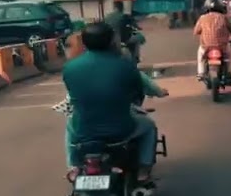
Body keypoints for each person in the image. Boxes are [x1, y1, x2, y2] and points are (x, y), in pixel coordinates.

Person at [63, 22, 160, 182]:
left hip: (84, 132)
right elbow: (136, 91)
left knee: (70, 127)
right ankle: (144, 168)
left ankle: (73, 166)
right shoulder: (125, 65)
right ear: (111, 41)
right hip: (121, 131)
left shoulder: (70, 67)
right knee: (149, 127)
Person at [193, 0, 231, 81]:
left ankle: (201, 73)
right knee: (228, 56)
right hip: (222, 46)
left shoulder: (202, 18)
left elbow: (196, 32)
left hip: (206, 46)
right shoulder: (224, 17)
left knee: (200, 55)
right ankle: (228, 73)